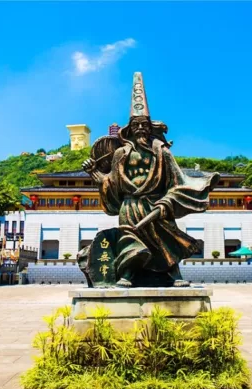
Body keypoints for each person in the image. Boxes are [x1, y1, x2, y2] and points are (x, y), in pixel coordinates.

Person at [82, 73, 219, 287]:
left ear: (150, 127)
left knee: (165, 239)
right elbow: (113, 183)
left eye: (144, 125)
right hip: (130, 205)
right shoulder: (120, 155)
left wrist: (167, 202)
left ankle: (174, 276)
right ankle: (127, 275)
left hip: (156, 203)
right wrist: (96, 175)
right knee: (130, 239)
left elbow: (176, 180)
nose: (140, 129)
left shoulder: (161, 152)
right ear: (128, 130)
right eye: (135, 125)